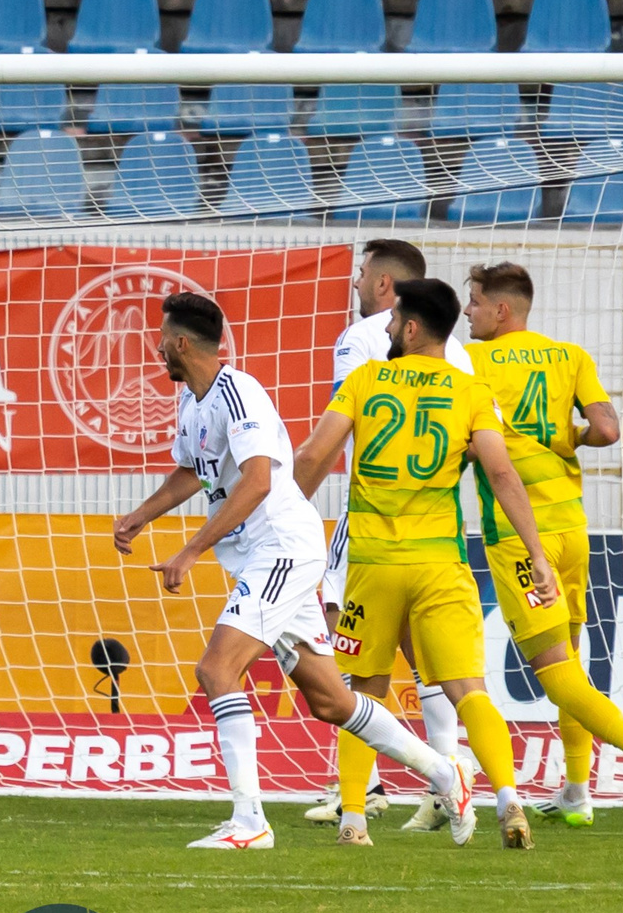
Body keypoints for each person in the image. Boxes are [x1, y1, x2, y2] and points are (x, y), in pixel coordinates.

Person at [113, 293, 469, 851]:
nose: (157, 349)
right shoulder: (192, 403)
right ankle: (446, 774)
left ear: (181, 343)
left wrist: (190, 551)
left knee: (216, 669)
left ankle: (250, 822)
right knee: (330, 701)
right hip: (265, 554)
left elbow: (257, 481)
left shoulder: (239, 392)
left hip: (281, 548)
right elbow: (191, 473)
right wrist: (138, 518)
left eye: (161, 339)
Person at [292, 278, 554, 850]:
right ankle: (509, 802)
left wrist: (284, 521)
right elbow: (502, 474)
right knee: (469, 689)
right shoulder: (469, 390)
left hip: (373, 564)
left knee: (364, 687)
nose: (386, 329)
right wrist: (536, 553)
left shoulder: (364, 381)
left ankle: (354, 819)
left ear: (411, 328)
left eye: (392, 321)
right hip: (440, 562)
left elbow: (315, 454)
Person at [462, 263, 623, 830]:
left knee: (556, 670)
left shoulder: (471, 362)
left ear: (501, 311)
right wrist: (569, 437)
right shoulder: (570, 355)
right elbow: (608, 429)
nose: (468, 313)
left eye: (476, 303)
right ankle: (578, 791)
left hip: (519, 534)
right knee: (572, 661)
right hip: (572, 529)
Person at [307, 238, 477, 831]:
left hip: (375, 515)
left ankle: (376, 783)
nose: (355, 286)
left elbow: (348, 428)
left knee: (342, 640)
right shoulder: (459, 353)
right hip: (439, 525)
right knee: (424, 653)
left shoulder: (363, 342)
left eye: (360, 276)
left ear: (386, 288)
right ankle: (441, 776)